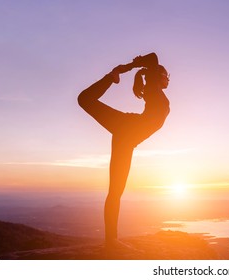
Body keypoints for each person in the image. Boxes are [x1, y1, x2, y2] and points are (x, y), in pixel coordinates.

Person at [77, 53, 170, 249]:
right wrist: (125, 68)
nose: (168, 78)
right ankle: (111, 77)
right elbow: (153, 57)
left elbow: (152, 63)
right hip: (126, 126)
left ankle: (111, 240)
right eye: (166, 75)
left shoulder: (155, 90)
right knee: (84, 99)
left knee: (115, 191)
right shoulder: (153, 85)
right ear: (157, 75)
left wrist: (133, 70)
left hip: (126, 139)